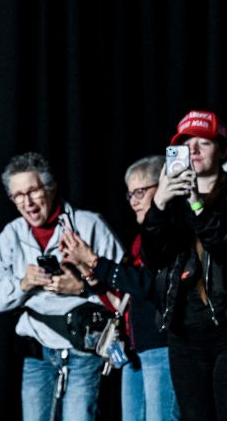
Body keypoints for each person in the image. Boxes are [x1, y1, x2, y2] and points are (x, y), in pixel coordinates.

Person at [139, 111, 227, 421]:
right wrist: (159, 205)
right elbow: (153, 259)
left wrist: (196, 203)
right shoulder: (172, 200)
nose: (193, 151)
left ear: (222, 150)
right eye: (185, 145)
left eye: (202, 143)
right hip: (185, 331)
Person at [0, 152, 124, 421]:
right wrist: (23, 283)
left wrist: (82, 287)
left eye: (33, 191)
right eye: (18, 196)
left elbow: (125, 288)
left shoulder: (88, 224)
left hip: (84, 351)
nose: (27, 202)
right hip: (37, 354)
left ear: (49, 187)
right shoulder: (10, 235)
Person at [60, 156, 181, 421]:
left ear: (163, 187)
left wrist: (94, 261)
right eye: (130, 194)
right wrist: (87, 271)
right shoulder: (141, 238)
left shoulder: (172, 230)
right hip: (135, 350)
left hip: (162, 347)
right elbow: (126, 298)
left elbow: (148, 285)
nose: (133, 201)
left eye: (140, 192)